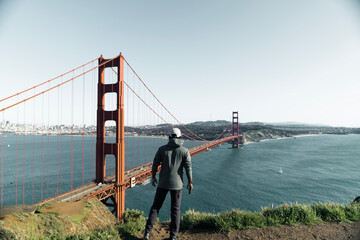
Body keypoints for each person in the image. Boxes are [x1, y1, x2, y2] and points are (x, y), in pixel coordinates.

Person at [144, 128, 193, 240]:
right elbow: (188, 167)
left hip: (162, 183)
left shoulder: (162, 149)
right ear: (180, 137)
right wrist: (190, 181)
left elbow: (155, 164)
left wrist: (153, 177)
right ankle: (173, 236)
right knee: (175, 210)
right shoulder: (185, 151)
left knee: (155, 207)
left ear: (169, 137)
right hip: (177, 185)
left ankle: (147, 233)